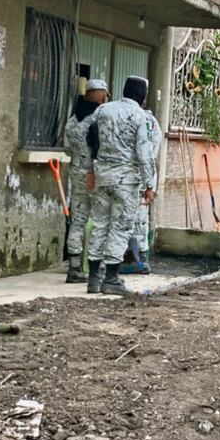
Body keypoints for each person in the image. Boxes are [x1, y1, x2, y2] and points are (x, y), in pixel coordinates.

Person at [85, 76, 156, 295]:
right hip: (126, 181)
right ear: (142, 95)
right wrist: (149, 184)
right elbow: (144, 153)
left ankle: (93, 278)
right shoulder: (139, 116)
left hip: (102, 176)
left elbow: (90, 140)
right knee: (120, 227)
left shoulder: (103, 110)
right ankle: (112, 279)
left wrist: (90, 169)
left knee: (99, 224)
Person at [62, 79, 108, 283]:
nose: (107, 99)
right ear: (100, 96)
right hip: (94, 175)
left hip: (76, 174)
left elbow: (66, 147)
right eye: (105, 95)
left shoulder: (72, 120)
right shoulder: (97, 118)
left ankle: (74, 268)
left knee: (78, 221)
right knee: (100, 220)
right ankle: (98, 268)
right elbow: (100, 146)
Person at [121, 104, 162, 275]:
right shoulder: (153, 123)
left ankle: (133, 260)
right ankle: (141, 259)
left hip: (129, 177)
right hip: (144, 176)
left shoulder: (129, 117)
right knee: (141, 220)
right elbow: (152, 153)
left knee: (128, 221)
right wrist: (150, 184)